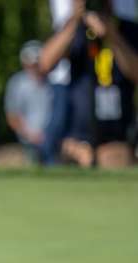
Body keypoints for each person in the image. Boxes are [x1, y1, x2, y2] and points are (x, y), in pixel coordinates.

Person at [40, 0, 138, 168]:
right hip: (78, 135)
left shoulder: (127, 29)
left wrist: (111, 35)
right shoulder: (73, 29)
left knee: (114, 157)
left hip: (118, 134)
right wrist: (75, 19)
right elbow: (45, 63)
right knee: (74, 154)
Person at [5, 40, 53, 164]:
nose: (34, 66)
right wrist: (30, 136)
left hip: (53, 140)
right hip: (28, 143)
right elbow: (12, 116)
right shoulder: (17, 83)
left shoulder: (53, 81)